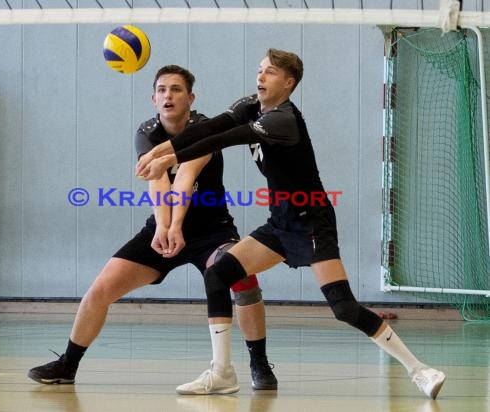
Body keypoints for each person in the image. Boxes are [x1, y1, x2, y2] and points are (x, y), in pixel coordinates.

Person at [136, 49, 446, 400]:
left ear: (288, 82)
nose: (260, 77)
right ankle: (222, 372)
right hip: (280, 221)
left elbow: (223, 139)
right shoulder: (251, 105)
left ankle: (420, 370)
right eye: (259, 70)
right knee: (219, 273)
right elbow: (211, 126)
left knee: (343, 307)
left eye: (269, 72)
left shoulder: (282, 120)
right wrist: (158, 151)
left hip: (311, 220)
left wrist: (168, 157)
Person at [27, 65, 278, 395]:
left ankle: (258, 363)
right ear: (153, 98)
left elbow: (186, 176)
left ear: (190, 97)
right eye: (161, 90)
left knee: (243, 277)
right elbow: (158, 181)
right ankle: (67, 365)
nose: (168, 95)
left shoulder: (203, 128)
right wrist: (163, 227)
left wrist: (176, 225)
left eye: (175, 89)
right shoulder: (147, 132)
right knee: (101, 289)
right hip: (159, 230)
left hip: (211, 231)